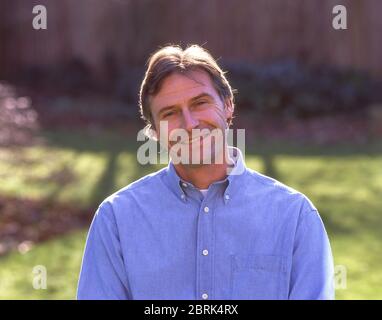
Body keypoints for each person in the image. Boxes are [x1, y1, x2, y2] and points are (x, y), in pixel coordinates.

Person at [77, 44, 334, 300]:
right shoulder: (116, 220)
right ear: (154, 132)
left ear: (228, 105)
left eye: (200, 103)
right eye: (170, 113)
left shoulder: (295, 217)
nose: (189, 124)